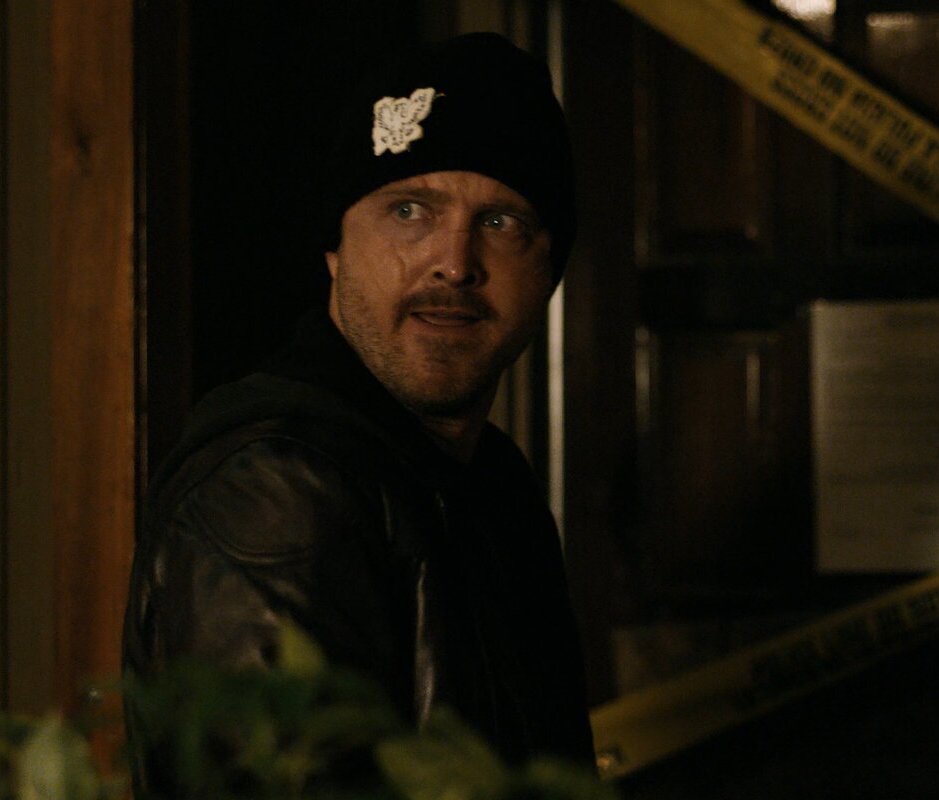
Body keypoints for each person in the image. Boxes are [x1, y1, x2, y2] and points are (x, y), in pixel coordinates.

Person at [120, 31, 592, 783]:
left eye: (502, 223)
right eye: (409, 210)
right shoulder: (278, 488)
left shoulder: (491, 484)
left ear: (548, 273)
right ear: (335, 248)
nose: (454, 263)